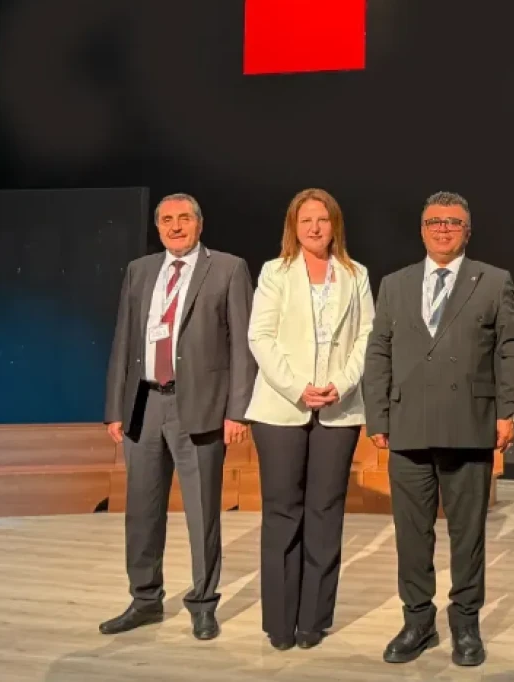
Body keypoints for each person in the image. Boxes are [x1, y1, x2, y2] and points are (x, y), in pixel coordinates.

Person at [362, 191, 514, 666]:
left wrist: (509, 411)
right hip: (407, 424)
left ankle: (466, 625)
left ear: (467, 231)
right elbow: (379, 351)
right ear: (422, 230)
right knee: (412, 534)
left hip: (469, 424)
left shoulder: (494, 281)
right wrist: (378, 415)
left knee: (467, 535)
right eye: (435, 221)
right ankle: (418, 621)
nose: (443, 229)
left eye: (453, 222)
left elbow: (510, 350)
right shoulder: (395, 284)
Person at [100, 192, 257, 640]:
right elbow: (124, 341)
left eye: (184, 218)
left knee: (202, 513)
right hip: (144, 404)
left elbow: (242, 345)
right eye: (166, 219)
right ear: (158, 227)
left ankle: (203, 604)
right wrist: (115, 407)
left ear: (199, 223)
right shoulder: (140, 270)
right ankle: (144, 599)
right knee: (142, 511)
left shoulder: (228, 268)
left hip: (202, 407)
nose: (175, 226)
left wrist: (238, 411)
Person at [244, 188, 375, 650]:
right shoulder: (274, 272)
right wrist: (298, 387)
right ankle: (280, 624)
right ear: (293, 228)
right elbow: (260, 337)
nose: (315, 228)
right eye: (306, 221)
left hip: (339, 409)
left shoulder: (356, 275)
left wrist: (341, 383)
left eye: (322, 219)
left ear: (335, 224)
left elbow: (367, 337)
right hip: (281, 408)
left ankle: (313, 622)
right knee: (282, 513)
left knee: (325, 514)